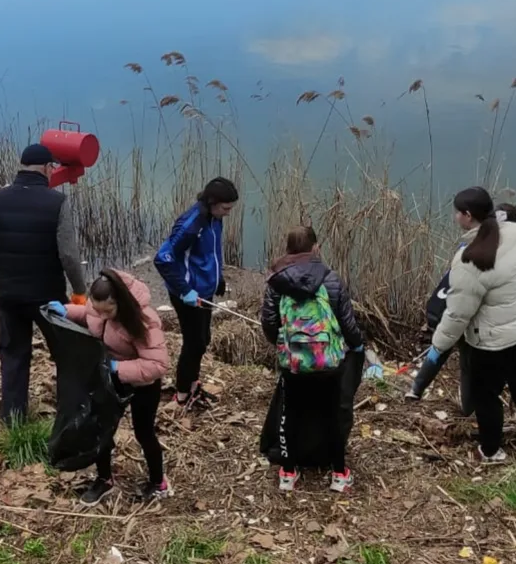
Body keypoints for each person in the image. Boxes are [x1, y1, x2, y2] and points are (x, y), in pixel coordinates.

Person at [429, 187, 516, 464]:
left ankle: (490, 451)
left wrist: (437, 347)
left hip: (499, 341)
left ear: (467, 216)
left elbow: (457, 315)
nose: (454, 217)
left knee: (485, 392)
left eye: (456, 213)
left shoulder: (468, 259)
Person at [0, 142, 87, 423]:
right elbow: (69, 256)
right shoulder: (57, 203)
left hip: (9, 295)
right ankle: (69, 417)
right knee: (66, 354)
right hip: (47, 297)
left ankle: (13, 421)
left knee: (13, 356)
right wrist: (80, 292)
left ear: (22, 167)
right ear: (48, 168)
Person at [50, 269, 171, 504]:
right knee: (99, 427)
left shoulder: (144, 321)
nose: (102, 315)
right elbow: (88, 316)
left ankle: (159, 482)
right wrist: (66, 311)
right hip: (110, 378)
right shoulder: (97, 310)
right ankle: (104, 479)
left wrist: (118, 368)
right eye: (98, 310)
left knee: (143, 433)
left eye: (108, 311)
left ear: (120, 303)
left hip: (143, 383)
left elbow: (158, 364)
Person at [260, 226, 364, 494]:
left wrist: (283, 345)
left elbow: (269, 322)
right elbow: (347, 321)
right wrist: (357, 345)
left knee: (289, 414)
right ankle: (339, 474)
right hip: (328, 363)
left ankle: (288, 473)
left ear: (288, 250)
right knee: (333, 414)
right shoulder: (331, 279)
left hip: (293, 363)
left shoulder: (278, 282)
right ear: (316, 248)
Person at [409, 203, 516, 409]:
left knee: (441, 349)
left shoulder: (470, 245)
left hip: (452, 310)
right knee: (465, 361)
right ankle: (466, 406)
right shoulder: (510, 256)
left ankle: (415, 390)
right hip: (471, 318)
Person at [154, 177, 239, 410]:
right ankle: (182, 395)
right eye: (225, 208)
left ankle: (193, 385)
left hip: (204, 291)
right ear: (212, 201)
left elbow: (212, 251)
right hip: (189, 295)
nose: (228, 213)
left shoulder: (214, 218)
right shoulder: (192, 224)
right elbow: (163, 259)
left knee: (203, 341)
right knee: (194, 344)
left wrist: (218, 278)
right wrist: (185, 291)